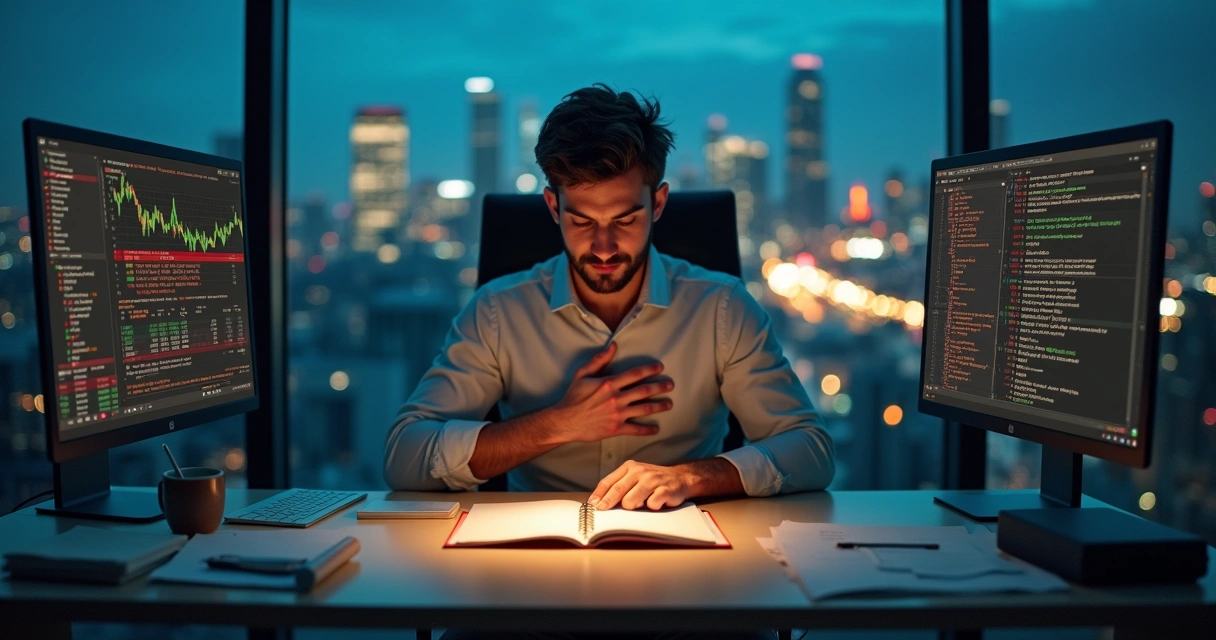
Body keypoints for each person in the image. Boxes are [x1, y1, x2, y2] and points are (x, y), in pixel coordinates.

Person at [384, 83, 833, 514]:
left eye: (625, 220)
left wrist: (693, 477)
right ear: (553, 208)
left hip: (687, 557)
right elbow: (405, 456)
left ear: (657, 204)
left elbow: (810, 451)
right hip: (532, 558)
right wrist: (557, 424)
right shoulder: (498, 312)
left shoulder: (722, 309)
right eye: (581, 222)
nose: (603, 247)